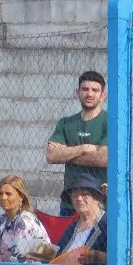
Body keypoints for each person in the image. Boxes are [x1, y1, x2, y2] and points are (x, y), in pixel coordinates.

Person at [47, 71, 108, 216]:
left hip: (99, 203)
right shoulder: (66, 123)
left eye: (95, 90)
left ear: (103, 95)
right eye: (85, 89)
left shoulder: (109, 121)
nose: (89, 94)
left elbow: (103, 159)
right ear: (78, 92)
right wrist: (84, 148)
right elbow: (51, 155)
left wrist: (66, 154)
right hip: (70, 202)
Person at [0, 174, 51, 262]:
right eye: (0, 194)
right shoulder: (2, 220)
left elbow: (20, 259)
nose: (3, 198)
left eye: (8, 194)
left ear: (21, 197)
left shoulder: (25, 221)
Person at [50, 176, 107, 265]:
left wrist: (98, 257)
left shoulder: (107, 224)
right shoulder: (72, 226)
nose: (79, 198)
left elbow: (120, 260)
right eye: (74, 195)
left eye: (84, 194)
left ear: (97, 198)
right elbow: (58, 255)